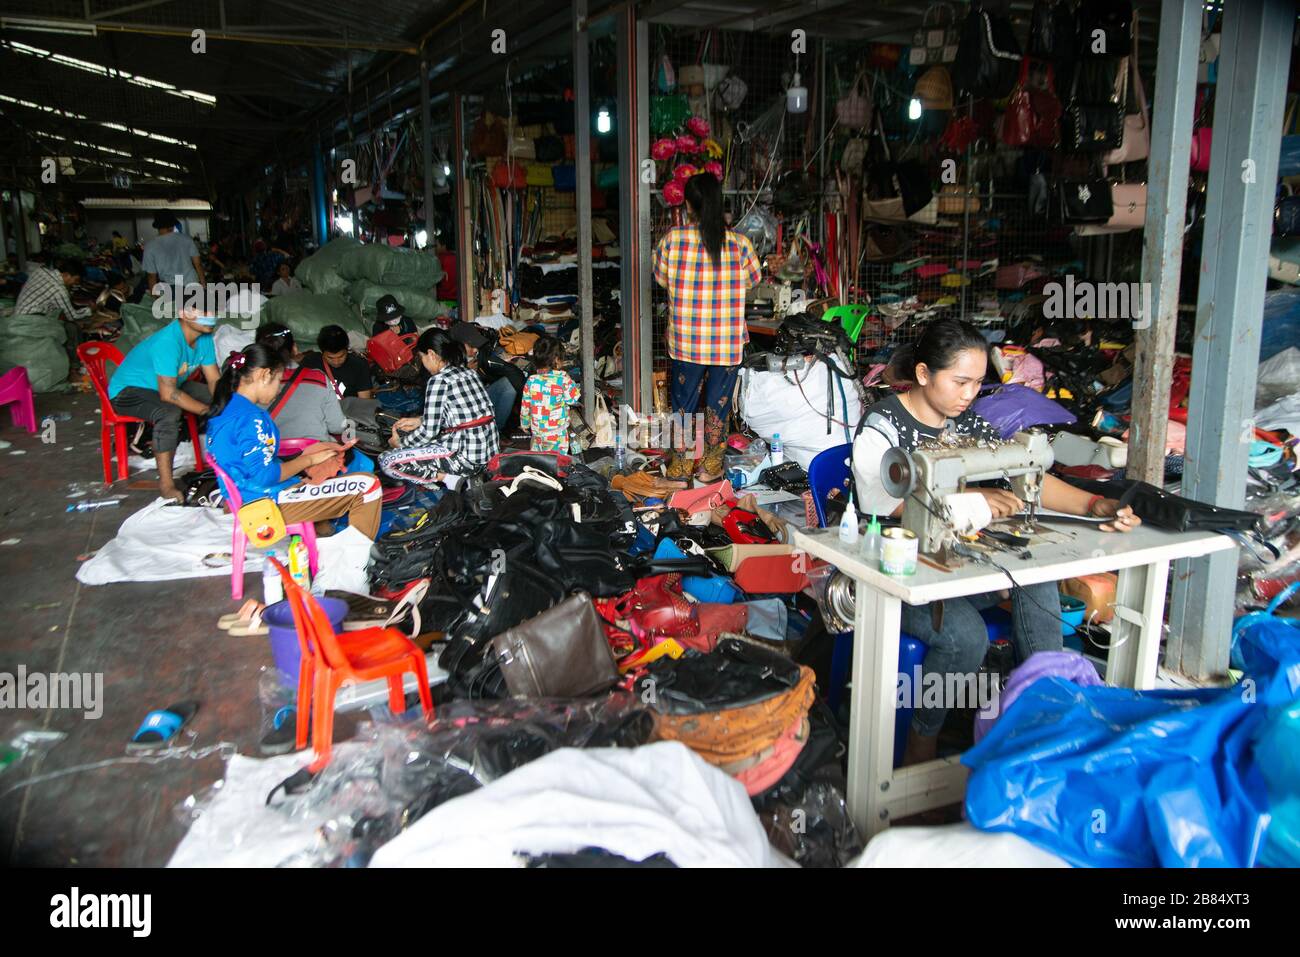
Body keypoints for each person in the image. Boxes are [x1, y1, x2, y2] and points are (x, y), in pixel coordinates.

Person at [851, 318, 1142, 767]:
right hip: (893, 567)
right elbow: (877, 503)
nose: (970, 394)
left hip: (952, 562)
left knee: (1036, 579)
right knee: (964, 635)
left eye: (978, 383)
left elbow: (1024, 477)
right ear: (925, 374)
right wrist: (971, 497)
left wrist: (1093, 505)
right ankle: (921, 742)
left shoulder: (968, 421)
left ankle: (1042, 718)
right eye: (960, 382)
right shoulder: (884, 423)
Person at [205, 343, 381, 541]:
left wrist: (312, 457)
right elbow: (265, 477)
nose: (278, 389)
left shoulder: (228, 409)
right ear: (264, 375)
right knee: (368, 485)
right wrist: (309, 461)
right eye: (278, 380)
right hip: (263, 503)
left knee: (334, 472)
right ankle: (356, 564)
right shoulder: (250, 418)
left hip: (246, 496)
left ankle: (338, 544)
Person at [653, 172, 761, 482]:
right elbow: (754, 281)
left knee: (684, 404)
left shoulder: (673, 240)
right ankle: (711, 466)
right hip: (726, 345)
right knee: (718, 407)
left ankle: (682, 465)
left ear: (688, 204)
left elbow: (661, 278)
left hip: (687, 342)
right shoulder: (739, 245)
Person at [107, 308, 220, 503]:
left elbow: (214, 380)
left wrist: (224, 404)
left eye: (211, 310)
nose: (208, 316)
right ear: (184, 314)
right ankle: (166, 485)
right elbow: (168, 394)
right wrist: (206, 411)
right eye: (200, 311)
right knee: (168, 412)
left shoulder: (204, 337)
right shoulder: (168, 342)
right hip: (128, 392)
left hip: (167, 385)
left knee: (223, 399)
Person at [378, 328, 498, 486]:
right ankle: (466, 479)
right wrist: (420, 420)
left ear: (431, 354)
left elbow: (429, 432)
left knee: (387, 460)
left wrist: (400, 443)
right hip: (489, 457)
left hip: (466, 459)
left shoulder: (438, 380)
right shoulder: (469, 373)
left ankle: (451, 479)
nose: (422, 362)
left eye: (421, 357)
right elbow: (461, 414)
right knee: (421, 439)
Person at [448, 321, 525, 432]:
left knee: (508, 384)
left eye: (476, 346)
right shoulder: (447, 361)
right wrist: (465, 372)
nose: (475, 350)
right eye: (471, 346)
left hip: (482, 402)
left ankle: (496, 430)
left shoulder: (480, 356)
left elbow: (512, 372)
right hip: (461, 414)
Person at [520, 336, 580, 453]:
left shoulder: (531, 380)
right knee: (557, 462)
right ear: (557, 360)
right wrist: (572, 383)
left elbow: (525, 405)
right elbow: (573, 399)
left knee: (540, 461)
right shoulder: (562, 378)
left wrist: (525, 424)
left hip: (537, 433)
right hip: (557, 434)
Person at [142, 211, 204, 295]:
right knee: (196, 308)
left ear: (157, 226)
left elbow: (151, 276)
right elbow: (198, 264)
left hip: (171, 289)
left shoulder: (150, 246)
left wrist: (154, 296)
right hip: (192, 284)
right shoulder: (186, 239)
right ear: (172, 225)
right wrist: (203, 284)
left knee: (174, 308)